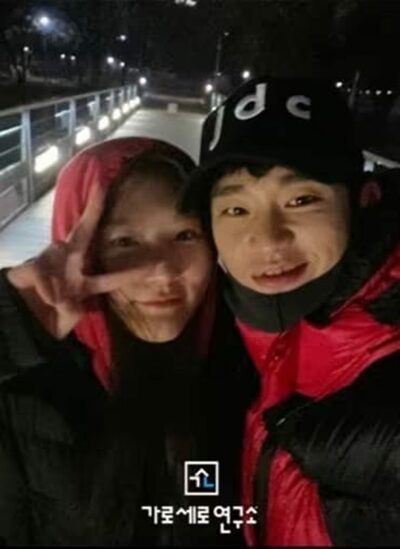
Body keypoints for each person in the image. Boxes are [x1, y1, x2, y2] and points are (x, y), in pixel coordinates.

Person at [0, 137, 254, 546]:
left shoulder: (252, 354)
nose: (163, 272)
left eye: (185, 235)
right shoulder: (25, 386)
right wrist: (10, 322)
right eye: (124, 242)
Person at [181, 76, 400, 546]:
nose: (268, 239)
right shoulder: (208, 327)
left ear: (364, 200)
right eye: (236, 209)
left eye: (301, 200)